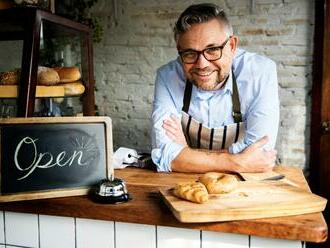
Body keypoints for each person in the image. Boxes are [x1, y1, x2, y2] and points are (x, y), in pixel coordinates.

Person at [151, 3, 279, 173]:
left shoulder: (260, 72)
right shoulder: (167, 77)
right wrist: (238, 162)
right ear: (179, 51)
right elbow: (163, 155)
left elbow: (260, 154)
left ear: (232, 46)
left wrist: (186, 152)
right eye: (190, 53)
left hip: (244, 186)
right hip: (184, 184)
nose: (202, 64)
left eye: (212, 50)